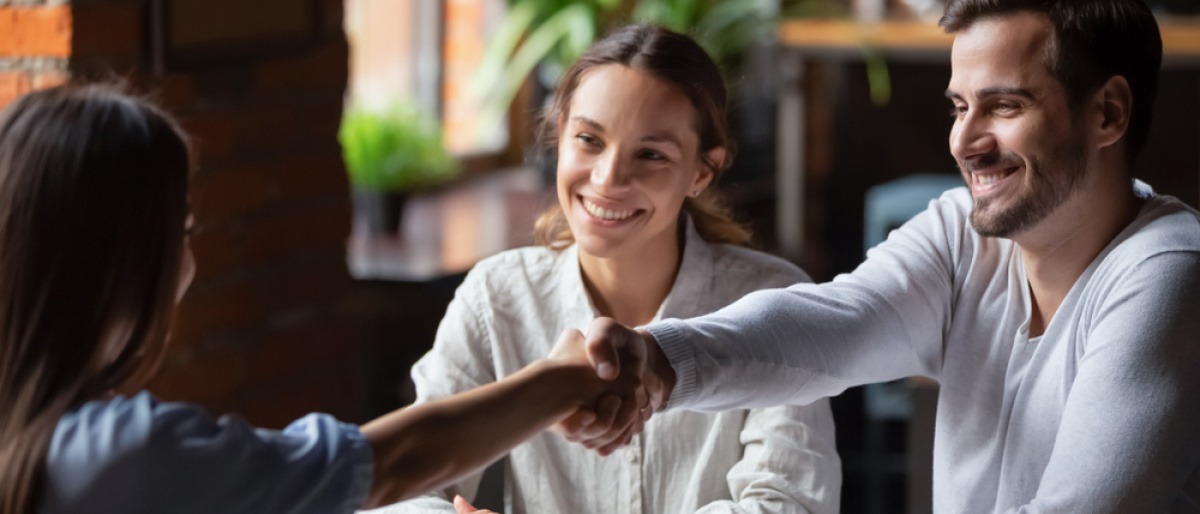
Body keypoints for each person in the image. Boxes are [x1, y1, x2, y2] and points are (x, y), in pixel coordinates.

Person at [565, 1, 1200, 512]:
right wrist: (657, 360)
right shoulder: (962, 234)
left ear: (1108, 113)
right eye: (959, 107)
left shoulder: (1167, 270)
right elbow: (834, 323)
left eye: (1005, 105)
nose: (964, 141)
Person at [0, 83, 640, 514]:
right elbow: (392, 462)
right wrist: (566, 380)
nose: (189, 265)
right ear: (124, 263)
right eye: (183, 233)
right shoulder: (118, 456)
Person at [370, 24, 840, 514]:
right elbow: (410, 483)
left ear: (702, 172)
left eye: (651, 154)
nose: (608, 178)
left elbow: (790, 503)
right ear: (561, 137)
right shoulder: (497, 298)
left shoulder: (773, 301)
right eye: (589, 140)